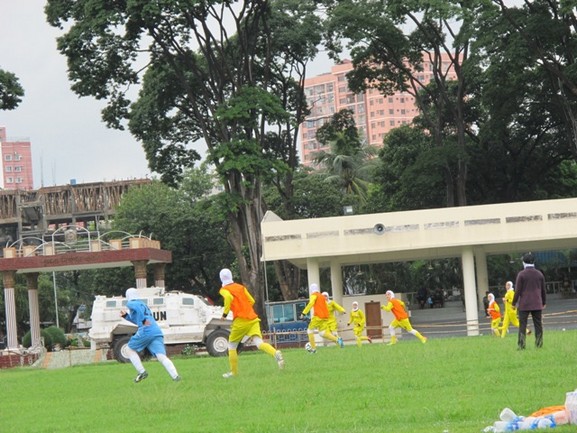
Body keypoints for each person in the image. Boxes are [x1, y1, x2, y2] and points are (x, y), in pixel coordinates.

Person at [218, 268, 284, 378]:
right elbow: (252, 301)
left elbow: (228, 297)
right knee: (259, 343)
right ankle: (275, 353)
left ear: (221, 278)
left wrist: (225, 314)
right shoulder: (241, 287)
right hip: (253, 318)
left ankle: (233, 373)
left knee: (232, 346)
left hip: (240, 321)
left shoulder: (224, 289)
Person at [121, 288, 181, 383]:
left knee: (128, 349)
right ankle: (176, 377)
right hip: (156, 331)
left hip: (146, 330)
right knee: (161, 356)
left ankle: (142, 372)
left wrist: (143, 322)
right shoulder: (143, 304)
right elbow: (139, 320)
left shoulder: (131, 303)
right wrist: (126, 316)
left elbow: (141, 317)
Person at [513, 252, 546, 349]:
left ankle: (522, 345)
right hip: (537, 303)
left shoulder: (521, 274)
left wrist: (514, 303)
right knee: (538, 325)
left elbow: (518, 290)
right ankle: (539, 344)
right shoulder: (539, 274)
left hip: (524, 304)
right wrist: (543, 302)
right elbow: (543, 290)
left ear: (524, 262)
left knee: (522, 325)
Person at [301, 283, 344, 352]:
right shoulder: (321, 296)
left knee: (309, 331)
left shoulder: (314, 295)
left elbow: (311, 303)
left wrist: (304, 313)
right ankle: (337, 339)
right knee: (322, 333)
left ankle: (313, 349)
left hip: (317, 317)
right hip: (324, 317)